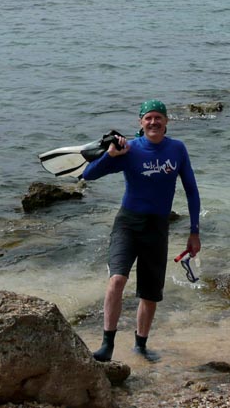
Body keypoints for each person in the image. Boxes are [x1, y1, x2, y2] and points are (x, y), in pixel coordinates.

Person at [81, 99, 201, 362]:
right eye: (148, 118)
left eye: (158, 117)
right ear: (140, 122)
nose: (153, 122)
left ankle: (141, 346)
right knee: (117, 280)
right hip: (128, 223)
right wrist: (110, 156)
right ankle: (107, 344)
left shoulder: (177, 149)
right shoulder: (130, 149)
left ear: (167, 121)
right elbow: (88, 175)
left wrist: (194, 231)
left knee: (150, 292)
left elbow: (191, 190)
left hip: (157, 227)